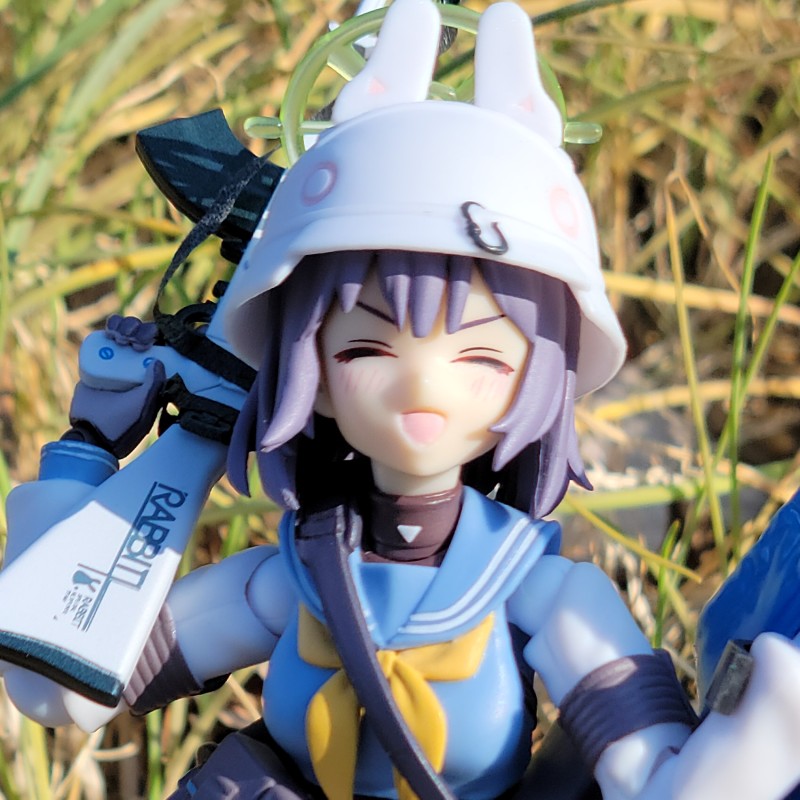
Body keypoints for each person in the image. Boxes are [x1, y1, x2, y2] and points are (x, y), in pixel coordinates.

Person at [5, 1, 800, 798]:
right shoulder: (295, 575)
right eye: (365, 348)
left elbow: (655, 781)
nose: (424, 383)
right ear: (308, 364)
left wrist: (757, 745)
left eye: (481, 355)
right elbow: (58, 680)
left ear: (544, 373)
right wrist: (116, 447)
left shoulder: (541, 588)